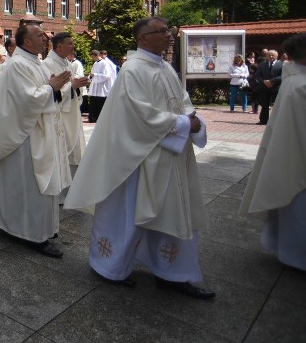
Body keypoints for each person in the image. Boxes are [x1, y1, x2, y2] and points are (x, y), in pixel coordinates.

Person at [65, 18, 214, 299]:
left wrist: (194, 120)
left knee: (172, 212)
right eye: (162, 32)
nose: (169, 36)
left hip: (169, 154)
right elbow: (137, 114)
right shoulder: (133, 69)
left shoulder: (163, 66)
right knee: (129, 213)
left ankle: (171, 272)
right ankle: (110, 266)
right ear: (143, 38)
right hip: (139, 158)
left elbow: (181, 102)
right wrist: (182, 125)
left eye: (168, 31)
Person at [0, 25, 73, 257]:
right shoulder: (18, 64)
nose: (46, 37)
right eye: (40, 35)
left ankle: (37, 227)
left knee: (31, 183)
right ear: (27, 42)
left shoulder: (34, 62)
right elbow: (25, 100)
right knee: (31, 184)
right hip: (26, 136)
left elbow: (39, 93)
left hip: (37, 130)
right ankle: (33, 234)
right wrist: (51, 88)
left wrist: (54, 89)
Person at [239, 33, 306, 271]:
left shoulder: (291, 81)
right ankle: (296, 256)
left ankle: (287, 250)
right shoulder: (301, 84)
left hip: (289, 154)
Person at [43, 33, 88, 184]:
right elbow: (50, 91)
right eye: (70, 43)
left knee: (74, 152)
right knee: (61, 150)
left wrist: (77, 85)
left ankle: (72, 188)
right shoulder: (47, 64)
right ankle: (61, 188)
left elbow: (70, 86)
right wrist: (72, 87)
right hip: (60, 115)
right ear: (59, 46)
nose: (73, 46)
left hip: (72, 112)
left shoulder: (66, 63)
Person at [255, 50, 283, 125]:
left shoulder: (281, 65)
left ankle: (279, 121)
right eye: (269, 55)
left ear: (277, 56)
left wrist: (271, 81)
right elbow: (257, 75)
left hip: (276, 87)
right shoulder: (262, 65)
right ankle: (263, 120)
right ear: (266, 56)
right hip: (265, 88)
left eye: (273, 55)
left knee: (278, 105)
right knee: (264, 105)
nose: (271, 57)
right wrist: (264, 81)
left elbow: (283, 75)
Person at [87, 49, 114, 123]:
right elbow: (92, 73)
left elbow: (107, 75)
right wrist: (90, 77)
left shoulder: (104, 63)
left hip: (102, 88)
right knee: (93, 103)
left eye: (93, 57)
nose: (92, 59)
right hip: (95, 87)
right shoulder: (95, 63)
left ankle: (100, 119)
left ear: (97, 55)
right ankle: (93, 118)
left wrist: (95, 75)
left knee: (100, 104)